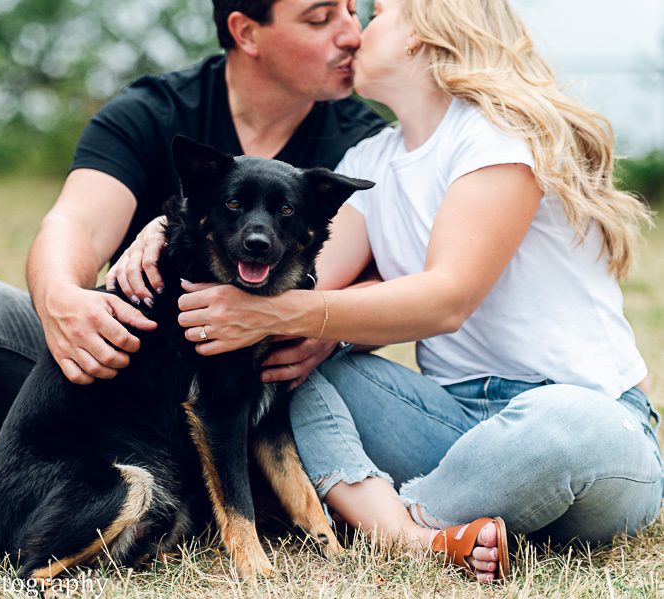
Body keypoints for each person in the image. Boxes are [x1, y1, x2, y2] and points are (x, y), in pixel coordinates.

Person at [0, 0, 387, 574]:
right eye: (320, 17)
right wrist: (64, 303)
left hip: (238, 413)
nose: (351, 33)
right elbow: (75, 222)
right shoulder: (155, 109)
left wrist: (322, 323)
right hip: (112, 368)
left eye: (353, 12)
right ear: (246, 31)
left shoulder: (364, 139)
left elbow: (398, 275)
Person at [112, 0, 663, 583]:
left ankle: (391, 524)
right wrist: (170, 228)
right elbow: (293, 275)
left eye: (374, 14)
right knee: (287, 368)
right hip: (451, 427)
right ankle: (425, 538)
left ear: (421, 37)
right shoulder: (373, 159)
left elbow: (448, 298)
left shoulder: (500, 137)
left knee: (565, 421)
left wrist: (299, 315)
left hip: (585, 432)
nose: (353, 32)